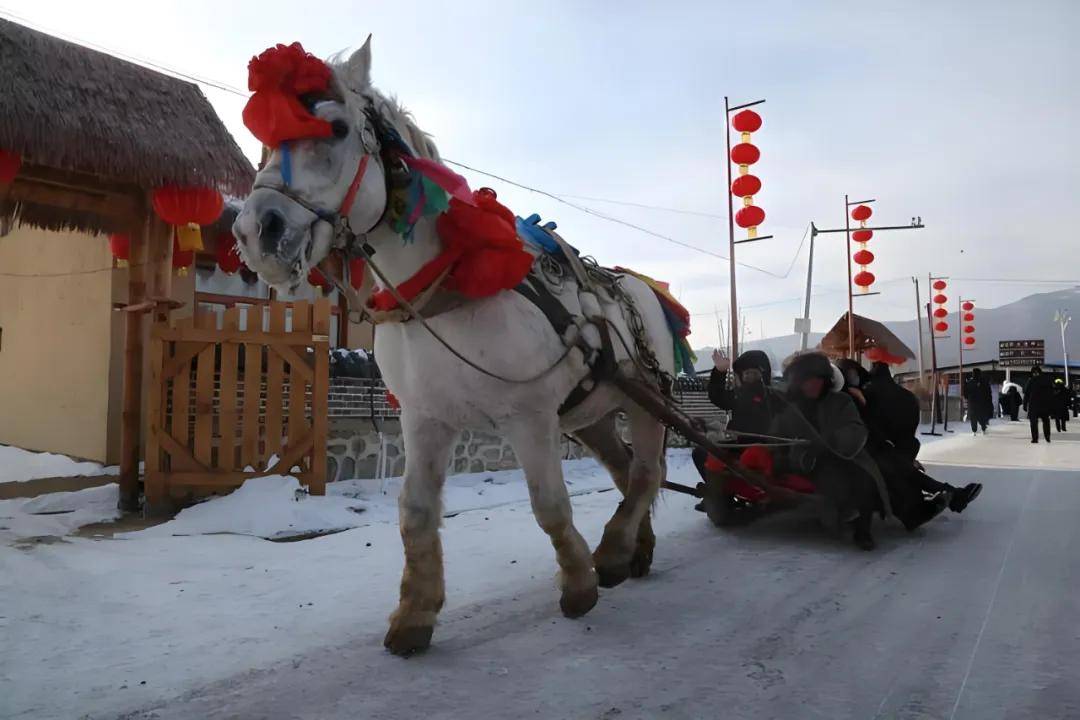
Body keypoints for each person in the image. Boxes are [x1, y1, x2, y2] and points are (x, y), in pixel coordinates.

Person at [772, 352, 891, 551]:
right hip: (808, 461)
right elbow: (775, 436)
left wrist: (831, 440)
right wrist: (782, 454)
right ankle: (839, 515)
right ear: (798, 383)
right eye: (807, 381)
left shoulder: (841, 401)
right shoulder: (790, 409)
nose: (812, 385)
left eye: (817, 380)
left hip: (846, 455)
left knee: (864, 479)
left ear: (826, 381)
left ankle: (863, 530)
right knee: (832, 480)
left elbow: (855, 428)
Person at [863, 361, 982, 513]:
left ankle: (933, 502)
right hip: (904, 445)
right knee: (907, 473)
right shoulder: (906, 395)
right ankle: (949, 497)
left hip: (880, 448)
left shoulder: (867, 393)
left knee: (904, 473)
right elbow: (912, 424)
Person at [692, 349, 786, 515]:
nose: (748, 377)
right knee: (700, 453)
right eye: (745, 373)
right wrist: (720, 372)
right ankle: (719, 494)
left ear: (763, 374)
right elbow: (718, 397)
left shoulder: (775, 397)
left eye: (753, 373)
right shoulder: (738, 396)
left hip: (766, 451)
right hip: (737, 447)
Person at [1024, 365, 1055, 443]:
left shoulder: (1031, 381)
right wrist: (1052, 406)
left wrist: (1024, 404)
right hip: (1045, 405)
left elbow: (1027, 393)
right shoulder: (1047, 380)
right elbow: (1052, 394)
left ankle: (1035, 438)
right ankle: (1047, 436)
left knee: (1033, 422)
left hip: (1034, 405)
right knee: (1046, 421)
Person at [963, 368, 993, 435]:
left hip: (972, 403)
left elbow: (965, 393)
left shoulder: (970, 382)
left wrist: (968, 398)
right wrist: (989, 402)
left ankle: (974, 431)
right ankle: (983, 428)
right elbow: (989, 393)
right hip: (982, 403)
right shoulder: (984, 382)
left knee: (973, 417)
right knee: (982, 416)